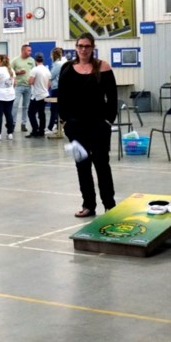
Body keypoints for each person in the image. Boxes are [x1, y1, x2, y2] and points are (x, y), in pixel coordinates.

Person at [58, 32, 118, 218]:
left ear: (92, 48)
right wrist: (65, 121)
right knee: (82, 166)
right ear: (76, 48)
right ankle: (88, 205)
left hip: (98, 124)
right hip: (75, 126)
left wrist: (108, 120)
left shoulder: (103, 67)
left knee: (102, 164)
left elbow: (112, 97)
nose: (83, 49)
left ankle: (109, 205)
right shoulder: (67, 68)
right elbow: (62, 96)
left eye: (87, 46)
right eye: (80, 46)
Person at [0, 53, 16, 140]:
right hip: (10, 95)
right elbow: (14, 83)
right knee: (9, 114)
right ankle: (10, 133)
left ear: (1, 61)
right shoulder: (11, 70)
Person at [11, 43, 35, 132]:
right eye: (28, 50)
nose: (30, 52)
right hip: (18, 86)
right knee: (15, 105)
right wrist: (17, 72)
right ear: (23, 50)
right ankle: (12, 124)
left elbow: (34, 72)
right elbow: (10, 71)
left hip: (28, 86)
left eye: (30, 50)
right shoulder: (15, 60)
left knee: (26, 106)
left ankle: (24, 124)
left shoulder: (32, 60)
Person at [27, 52, 51, 137]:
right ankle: (41, 131)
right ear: (42, 59)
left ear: (35, 60)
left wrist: (28, 80)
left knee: (31, 113)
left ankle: (35, 130)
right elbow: (49, 84)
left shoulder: (35, 69)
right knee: (42, 113)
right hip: (45, 94)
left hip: (37, 95)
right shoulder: (46, 69)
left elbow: (31, 81)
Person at [48, 48, 65, 133]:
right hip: (60, 88)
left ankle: (51, 128)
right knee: (58, 108)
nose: (50, 57)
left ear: (54, 55)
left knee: (53, 108)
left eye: (51, 55)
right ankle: (58, 126)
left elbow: (51, 76)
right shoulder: (62, 63)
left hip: (56, 89)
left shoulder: (57, 64)